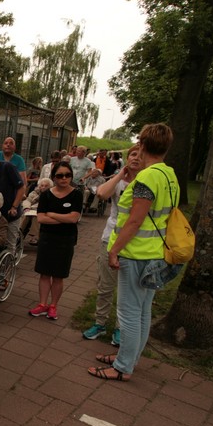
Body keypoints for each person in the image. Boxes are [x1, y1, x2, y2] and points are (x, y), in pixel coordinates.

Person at [89, 124, 180, 381]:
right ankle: (130, 358)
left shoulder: (147, 177)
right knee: (142, 311)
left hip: (136, 253)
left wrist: (114, 250)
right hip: (155, 252)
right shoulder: (169, 174)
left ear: (142, 145)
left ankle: (122, 367)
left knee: (128, 312)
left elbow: (135, 220)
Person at [82, 146, 141, 344]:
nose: (136, 158)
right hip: (111, 237)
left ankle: (120, 327)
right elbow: (101, 194)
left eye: (140, 155)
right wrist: (120, 175)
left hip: (135, 243)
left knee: (127, 290)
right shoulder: (118, 181)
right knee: (105, 286)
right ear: (127, 158)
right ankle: (100, 323)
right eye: (133, 154)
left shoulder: (147, 182)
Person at [28, 161, 83, 320]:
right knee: (44, 273)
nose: (64, 178)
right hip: (47, 238)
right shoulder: (46, 195)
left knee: (58, 275)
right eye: (60, 175)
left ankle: (53, 306)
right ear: (54, 177)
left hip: (65, 239)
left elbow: (74, 218)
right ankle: (42, 304)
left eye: (67, 175)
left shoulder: (77, 194)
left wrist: (51, 214)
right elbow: (41, 218)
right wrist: (64, 218)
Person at [20, 177, 52, 245]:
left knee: (36, 217)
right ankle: (19, 232)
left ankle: (34, 236)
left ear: (50, 187)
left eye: (46, 186)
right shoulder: (34, 192)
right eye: (42, 185)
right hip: (31, 210)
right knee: (26, 215)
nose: (43, 187)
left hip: (42, 212)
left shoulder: (51, 194)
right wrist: (26, 208)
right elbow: (27, 200)